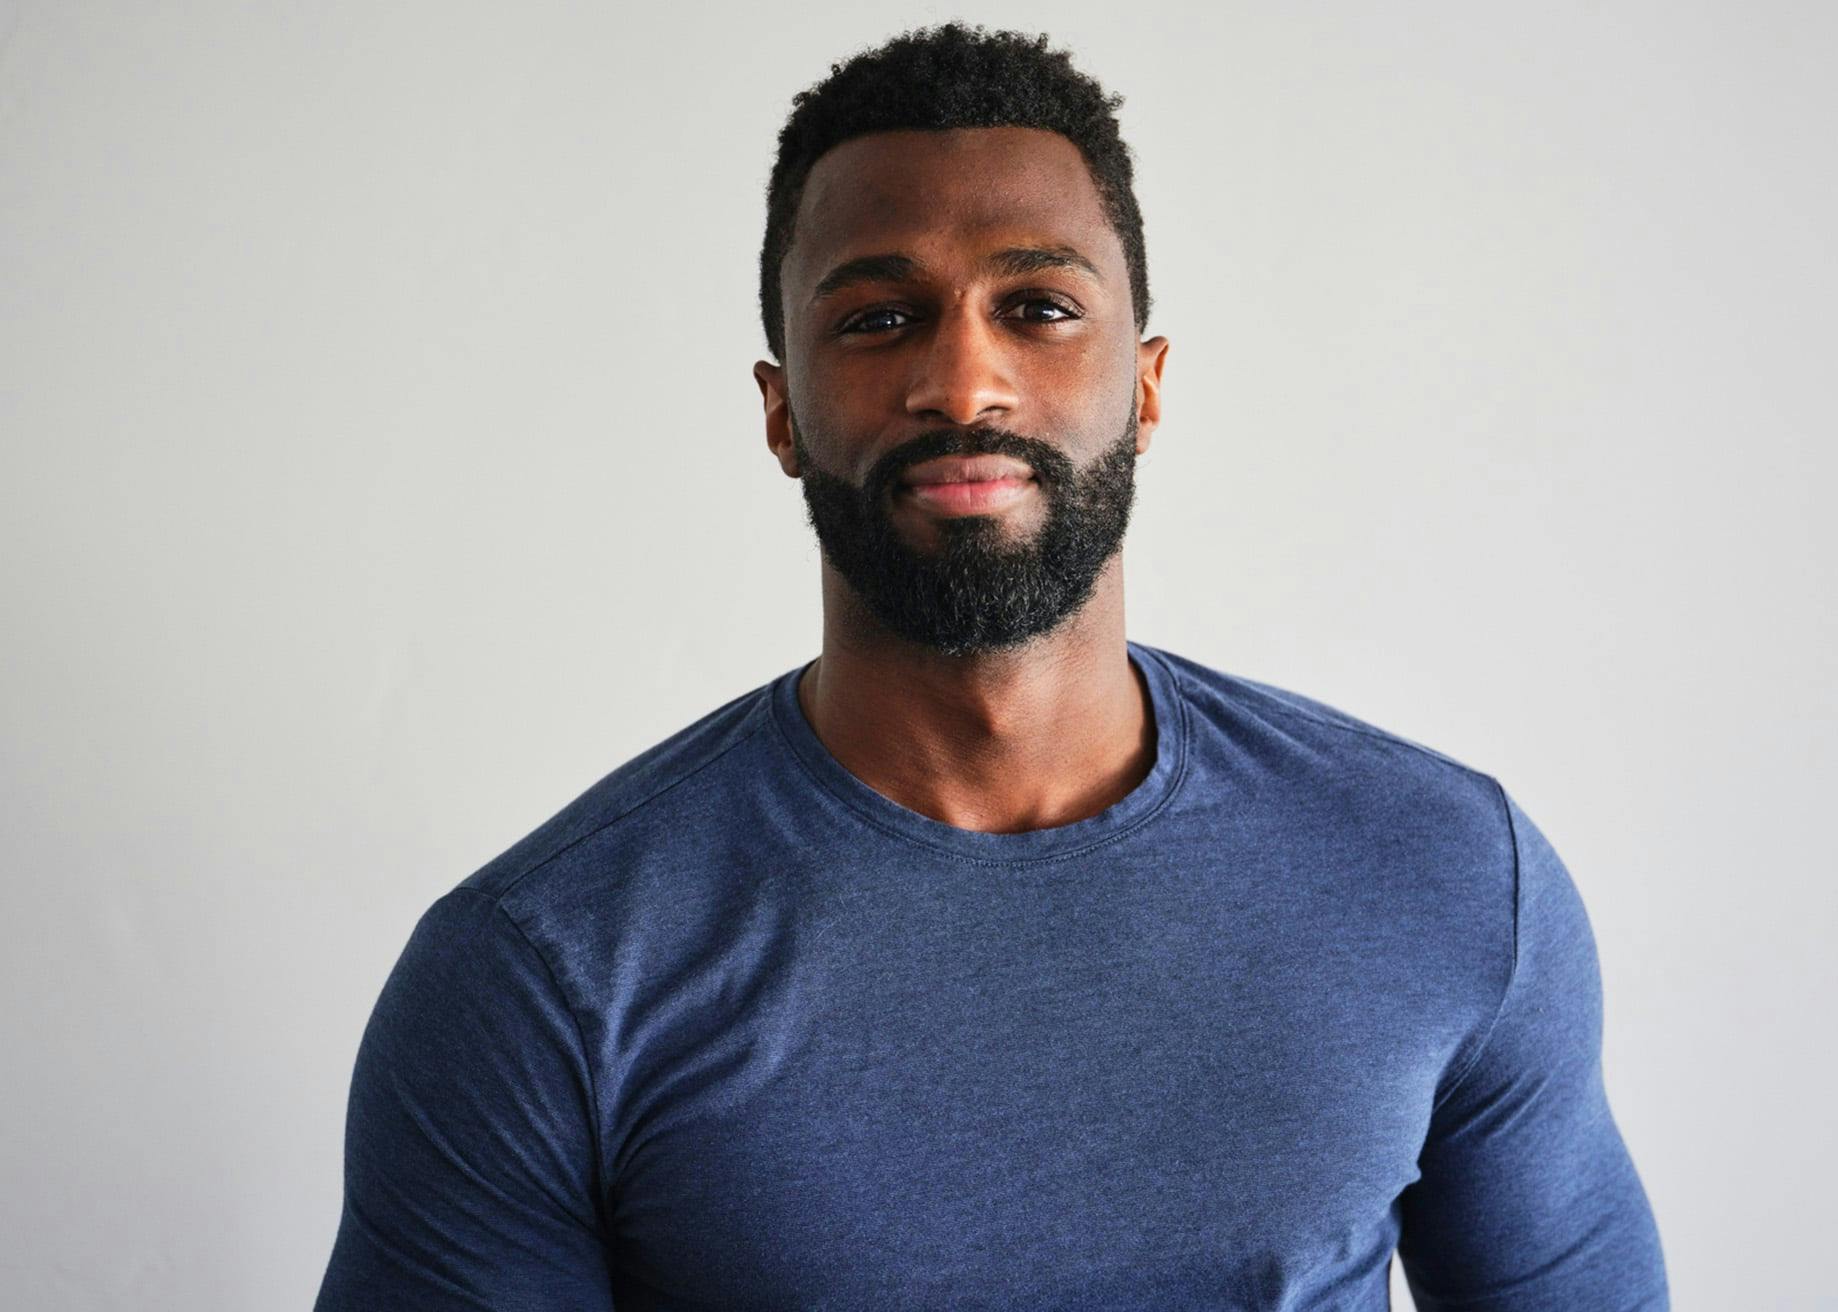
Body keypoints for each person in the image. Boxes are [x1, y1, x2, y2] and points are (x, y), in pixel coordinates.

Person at [315, 21, 1668, 1311]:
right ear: (782, 411)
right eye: (880, 319)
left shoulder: (1441, 875)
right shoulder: (541, 972)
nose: (965, 381)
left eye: (1036, 306)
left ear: (1144, 386)